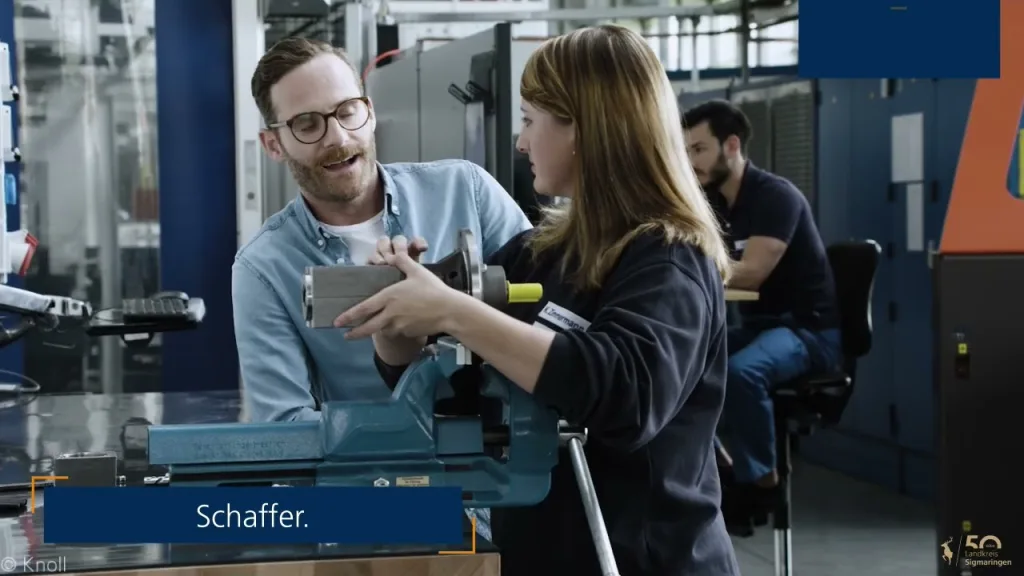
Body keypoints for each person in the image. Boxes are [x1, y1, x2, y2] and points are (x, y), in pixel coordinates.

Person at [334, 25, 740, 576]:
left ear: (586, 128)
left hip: (642, 558)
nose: (521, 142)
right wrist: (399, 325)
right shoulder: (538, 252)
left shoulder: (668, 258)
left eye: (529, 120)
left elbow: (626, 395)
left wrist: (455, 310)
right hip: (542, 552)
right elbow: (465, 395)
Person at [233, 38, 531, 423]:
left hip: (505, 465)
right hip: (369, 476)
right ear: (273, 145)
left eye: (348, 111)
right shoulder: (264, 269)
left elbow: (550, 318)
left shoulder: (466, 190)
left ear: (370, 113)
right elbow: (286, 425)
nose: (338, 138)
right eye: (307, 124)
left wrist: (450, 313)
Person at [682, 99, 842, 534]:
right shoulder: (715, 203)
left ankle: (763, 481)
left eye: (699, 149)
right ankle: (728, 470)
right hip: (760, 326)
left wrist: (693, 266)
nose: (691, 160)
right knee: (684, 365)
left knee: (739, 372)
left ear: (731, 145)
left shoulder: (775, 196)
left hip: (807, 331)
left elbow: (751, 273)